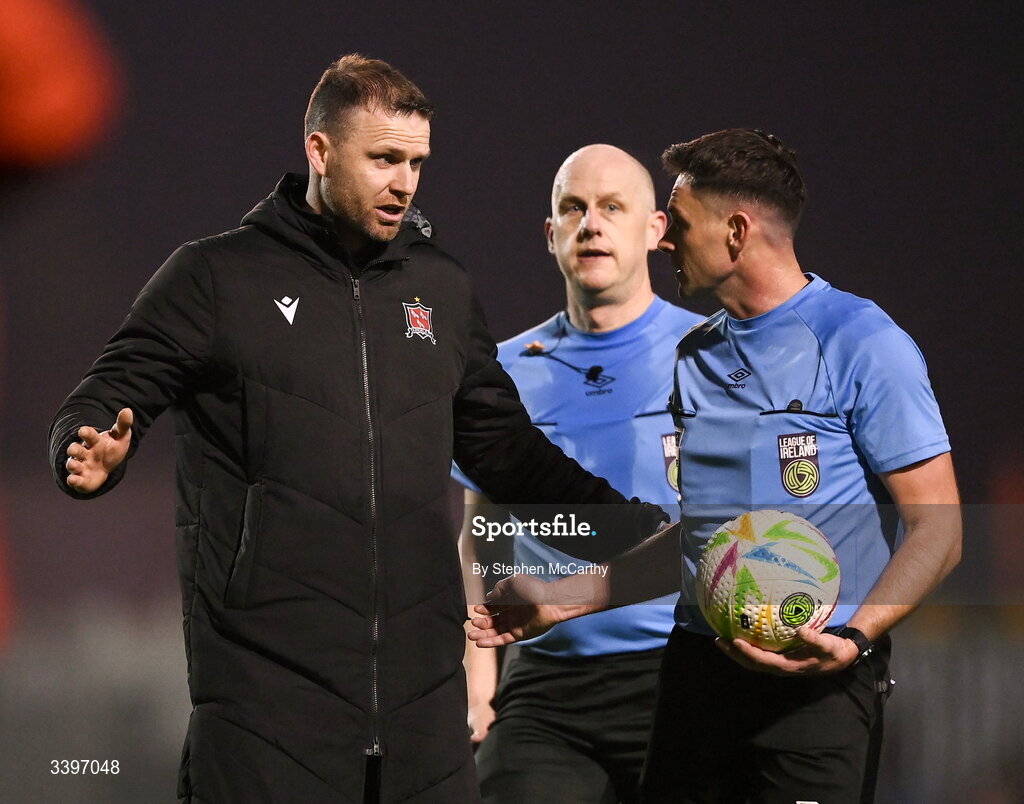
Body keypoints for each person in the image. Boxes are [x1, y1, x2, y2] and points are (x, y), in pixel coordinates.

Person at [48, 55, 667, 804]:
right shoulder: (215, 278)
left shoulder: (439, 288)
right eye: (383, 159)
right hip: (264, 711)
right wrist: (88, 449)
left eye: (416, 163)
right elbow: (110, 393)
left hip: (423, 716)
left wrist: (628, 528)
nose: (404, 182)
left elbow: (505, 450)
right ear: (319, 150)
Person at [469, 129, 962, 804]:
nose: (666, 239)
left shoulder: (863, 341)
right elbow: (699, 542)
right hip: (695, 682)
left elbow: (939, 529)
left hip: (813, 686)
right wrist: (564, 598)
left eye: (685, 223)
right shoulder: (695, 358)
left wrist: (853, 636)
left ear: (736, 231)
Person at [454, 144, 703, 803]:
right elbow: (484, 534)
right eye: (574, 208)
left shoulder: (718, 357)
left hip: (687, 675)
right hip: (547, 687)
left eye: (613, 207)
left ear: (655, 231)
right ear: (551, 234)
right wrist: (480, 690)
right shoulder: (501, 371)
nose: (591, 223)